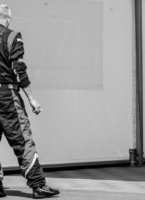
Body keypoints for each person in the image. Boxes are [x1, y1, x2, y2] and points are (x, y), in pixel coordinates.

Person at [0, 4, 60, 199]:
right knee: (23, 140)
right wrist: (32, 99)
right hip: (7, 96)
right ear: (6, 18)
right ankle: (38, 185)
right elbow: (18, 69)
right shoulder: (11, 35)